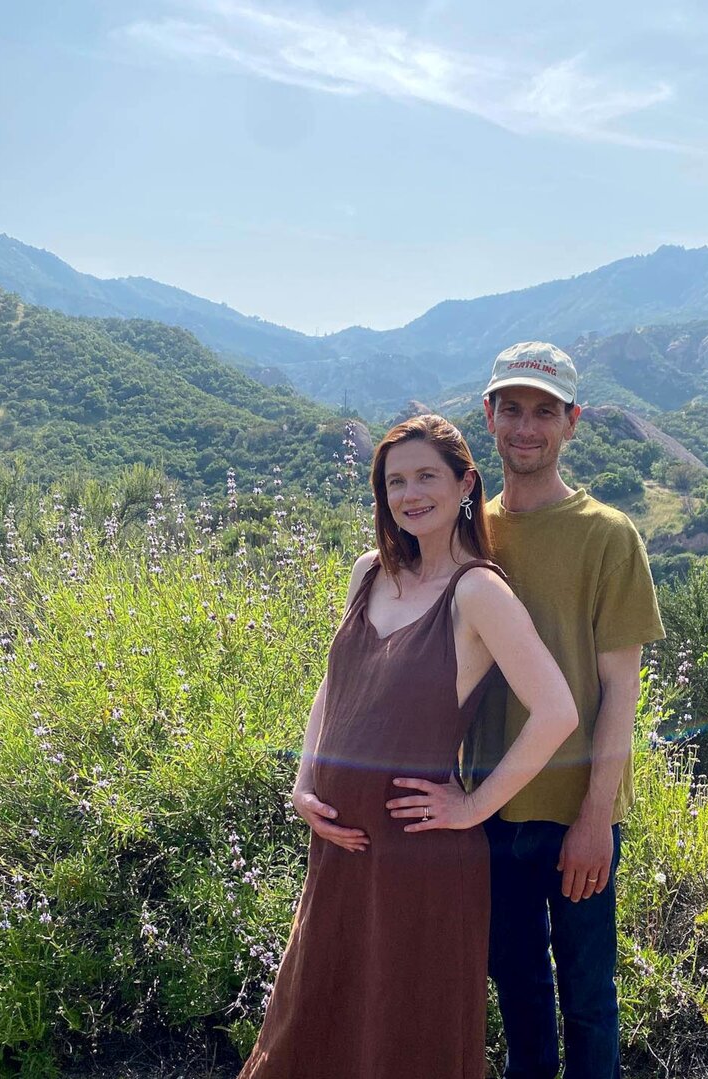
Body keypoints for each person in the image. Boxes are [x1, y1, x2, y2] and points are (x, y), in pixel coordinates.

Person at [237, 414, 578, 1079]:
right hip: (340, 850)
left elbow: (556, 711)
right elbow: (334, 686)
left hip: (420, 861)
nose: (410, 494)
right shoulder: (369, 572)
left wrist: (472, 806)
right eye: (395, 481)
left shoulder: (477, 591)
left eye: (426, 476)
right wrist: (304, 784)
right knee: (316, 1014)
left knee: (406, 1029)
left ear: (465, 484)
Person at [464, 341, 665, 1079]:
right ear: (489, 415)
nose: (526, 427)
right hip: (490, 803)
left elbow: (620, 690)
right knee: (516, 988)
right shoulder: (469, 531)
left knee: (587, 996)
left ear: (572, 422)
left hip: (577, 807)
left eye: (544, 412)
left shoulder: (608, 535)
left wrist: (595, 818)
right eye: (512, 408)